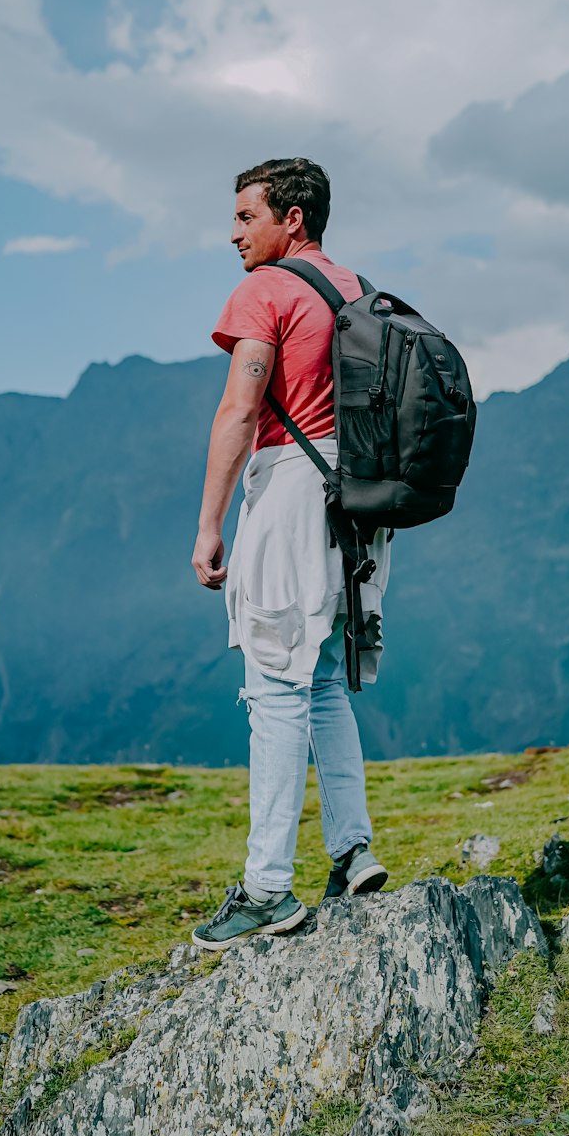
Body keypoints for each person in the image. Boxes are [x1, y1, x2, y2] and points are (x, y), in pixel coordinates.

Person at [190, 157, 391, 949]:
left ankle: (268, 888)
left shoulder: (265, 291)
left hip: (291, 492)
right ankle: (353, 850)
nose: (234, 232)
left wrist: (210, 526)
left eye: (246, 216)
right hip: (359, 497)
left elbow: (241, 410)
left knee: (274, 686)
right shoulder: (355, 288)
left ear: (292, 219)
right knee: (321, 680)